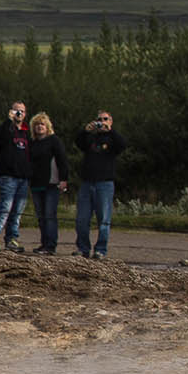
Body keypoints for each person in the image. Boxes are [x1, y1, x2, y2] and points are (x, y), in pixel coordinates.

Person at [74, 108, 126, 260]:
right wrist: (85, 131)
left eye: (105, 119)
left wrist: (110, 131)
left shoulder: (112, 139)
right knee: (82, 219)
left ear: (110, 121)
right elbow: (78, 142)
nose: (101, 122)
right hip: (87, 183)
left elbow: (123, 145)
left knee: (103, 219)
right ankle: (83, 248)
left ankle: (100, 250)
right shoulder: (90, 139)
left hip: (105, 184)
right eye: (99, 119)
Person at [0, 100, 31, 252]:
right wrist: (8, 120)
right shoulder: (6, 129)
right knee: (5, 207)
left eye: (22, 111)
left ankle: (11, 239)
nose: (19, 113)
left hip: (23, 177)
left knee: (17, 211)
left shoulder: (26, 131)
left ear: (25, 114)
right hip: (8, 176)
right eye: (16, 110)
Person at [25, 112, 69, 255]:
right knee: (41, 215)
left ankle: (51, 245)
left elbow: (62, 160)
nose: (39, 127)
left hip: (51, 183)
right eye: (37, 124)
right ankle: (44, 243)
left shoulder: (54, 141)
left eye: (42, 124)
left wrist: (63, 179)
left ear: (47, 126)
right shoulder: (32, 143)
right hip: (36, 184)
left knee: (50, 214)